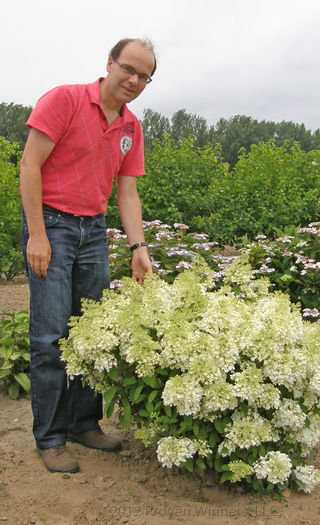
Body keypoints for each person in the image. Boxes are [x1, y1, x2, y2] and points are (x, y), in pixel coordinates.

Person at [20, 38, 155, 474]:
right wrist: (38, 235)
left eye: (144, 76)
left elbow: (128, 192)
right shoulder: (65, 100)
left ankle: (83, 423)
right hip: (53, 226)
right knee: (51, 336)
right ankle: (51, 437)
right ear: (110, 63)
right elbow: (29, 165)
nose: (133, 80)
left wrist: (139, 247)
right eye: (128, 69)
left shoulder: (131, 127)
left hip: (94, 232)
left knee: (90, 333)